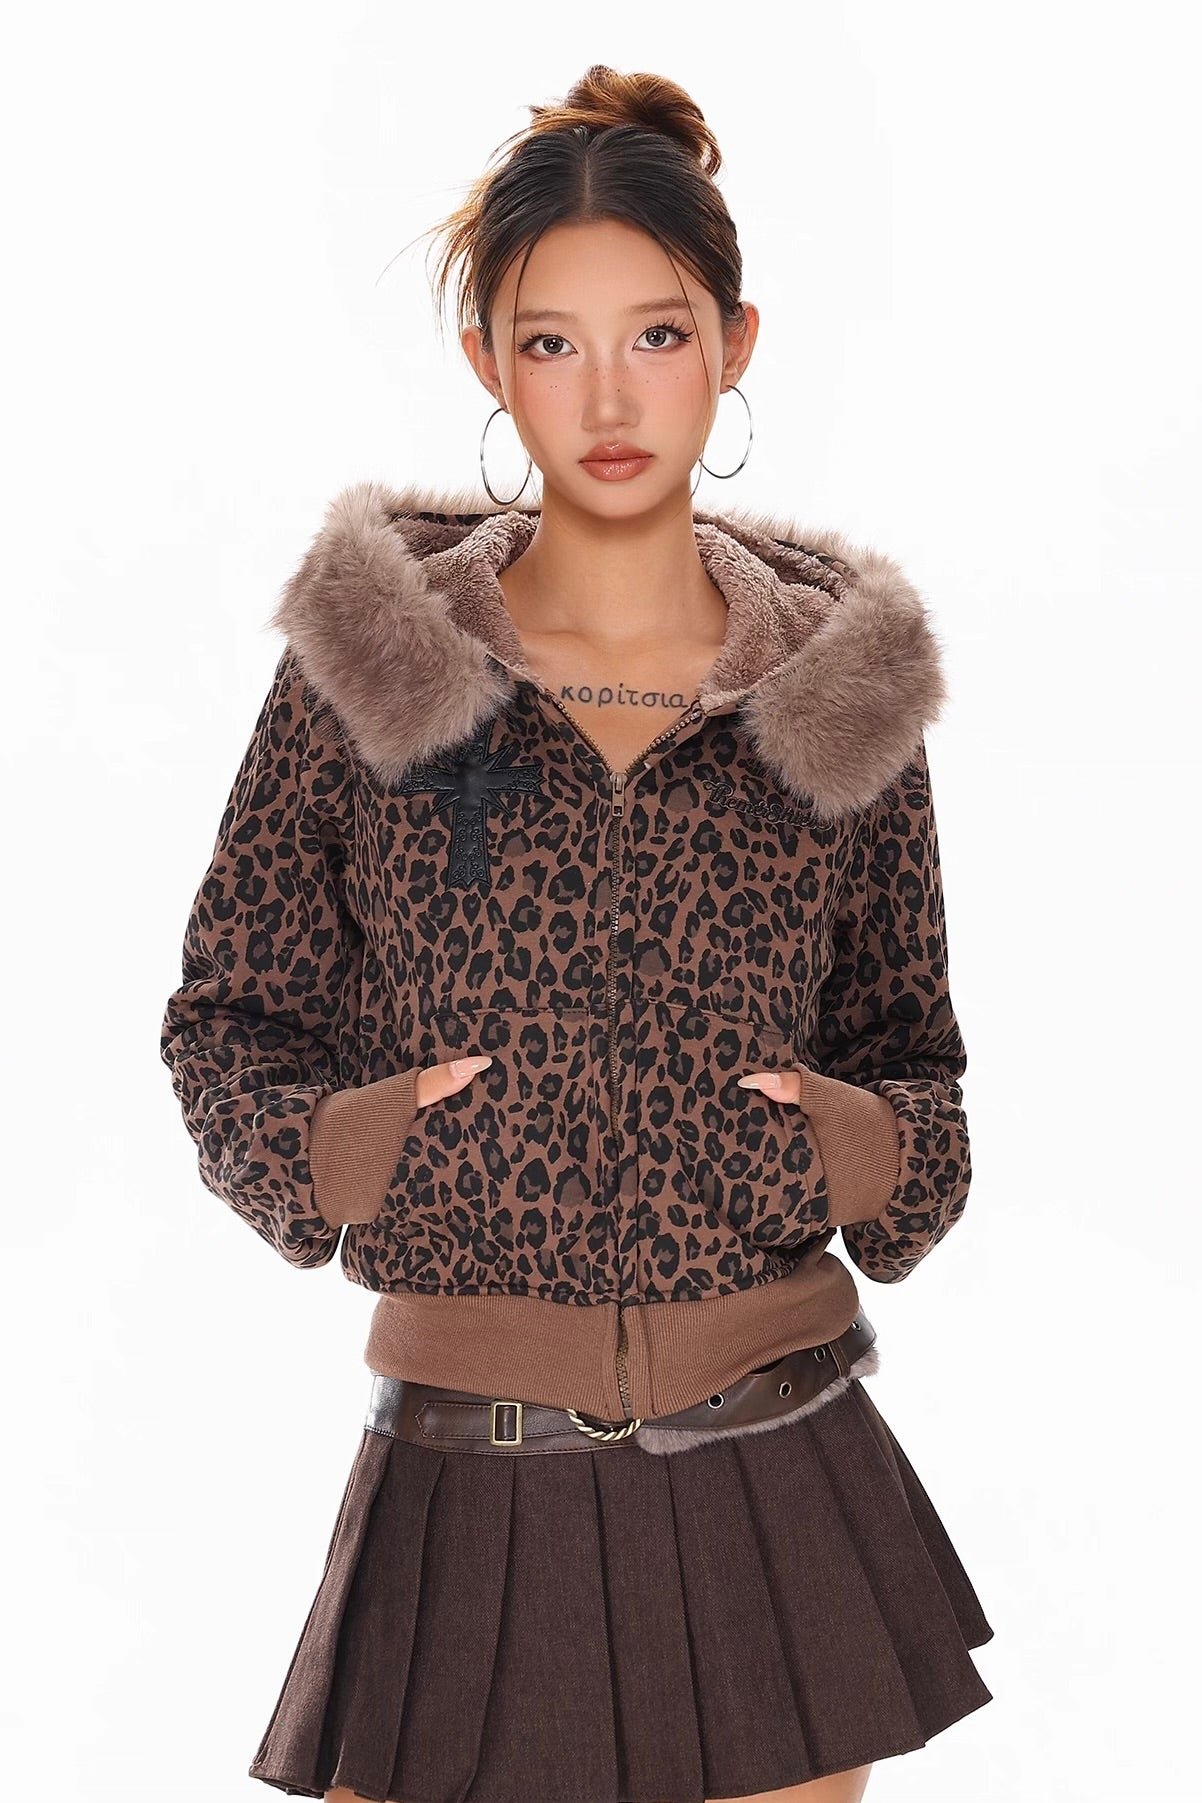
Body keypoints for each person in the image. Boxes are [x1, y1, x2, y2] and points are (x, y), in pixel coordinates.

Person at [159, 62, 994, 1803]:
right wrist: (340, 1152)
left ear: (734, 344)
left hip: (779, 1462)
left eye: (656, 335)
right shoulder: (372, 669)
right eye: (551, 342)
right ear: (488, 362)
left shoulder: (837, 699)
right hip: (459, 1471)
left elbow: (914, 1059)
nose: (607, 395)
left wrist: (854, 1145)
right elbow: (228, 1013)